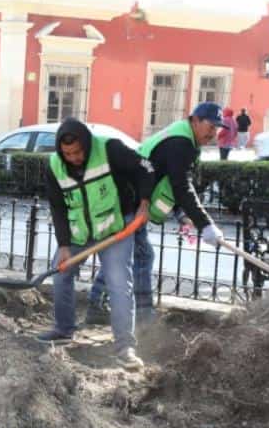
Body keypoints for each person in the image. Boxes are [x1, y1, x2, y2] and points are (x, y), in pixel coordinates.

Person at [88, 103, 227, 323]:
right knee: (141, 256)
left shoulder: (185, 139)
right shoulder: (181, 144)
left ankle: (97, 304)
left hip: (132, 198)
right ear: (195, 120)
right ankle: (143, 317)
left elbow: (170, 182)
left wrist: (182, 214)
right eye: (211, 126)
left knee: (123, 254)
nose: (213, 133)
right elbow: (181, 186)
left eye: (217, 128)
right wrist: (205, 224)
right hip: (129, 199)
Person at [38, 118, 155, 367]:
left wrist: (144, 201)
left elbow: (145, 168)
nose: (74, 158)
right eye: (68, 153)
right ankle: (63, 328)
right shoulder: (54, 166)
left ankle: (125, 347)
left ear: (87, 144)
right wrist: (64, 245)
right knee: (60, 273)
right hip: (79, 231)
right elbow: (58, 208)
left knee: (118, 282)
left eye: (78, 152)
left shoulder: (110, 149)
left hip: (115, 228)